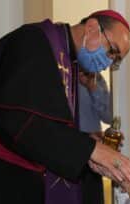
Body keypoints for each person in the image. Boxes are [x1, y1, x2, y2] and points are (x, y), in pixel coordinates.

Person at [0, 9, 130, 204]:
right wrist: (91, 150)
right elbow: (20, 121)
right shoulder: (35, 41)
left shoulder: (71, 63)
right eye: (112, 51)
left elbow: (49, 124)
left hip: (23, 176)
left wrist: (87, 145)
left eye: (115, 60)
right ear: (92, 28)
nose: (108, 62)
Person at [45, 71, 112, 204]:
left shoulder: (96, 77)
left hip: (92, 155)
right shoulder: (59, 71)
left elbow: (109, 116)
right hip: (65, 152)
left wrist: (92, 87)